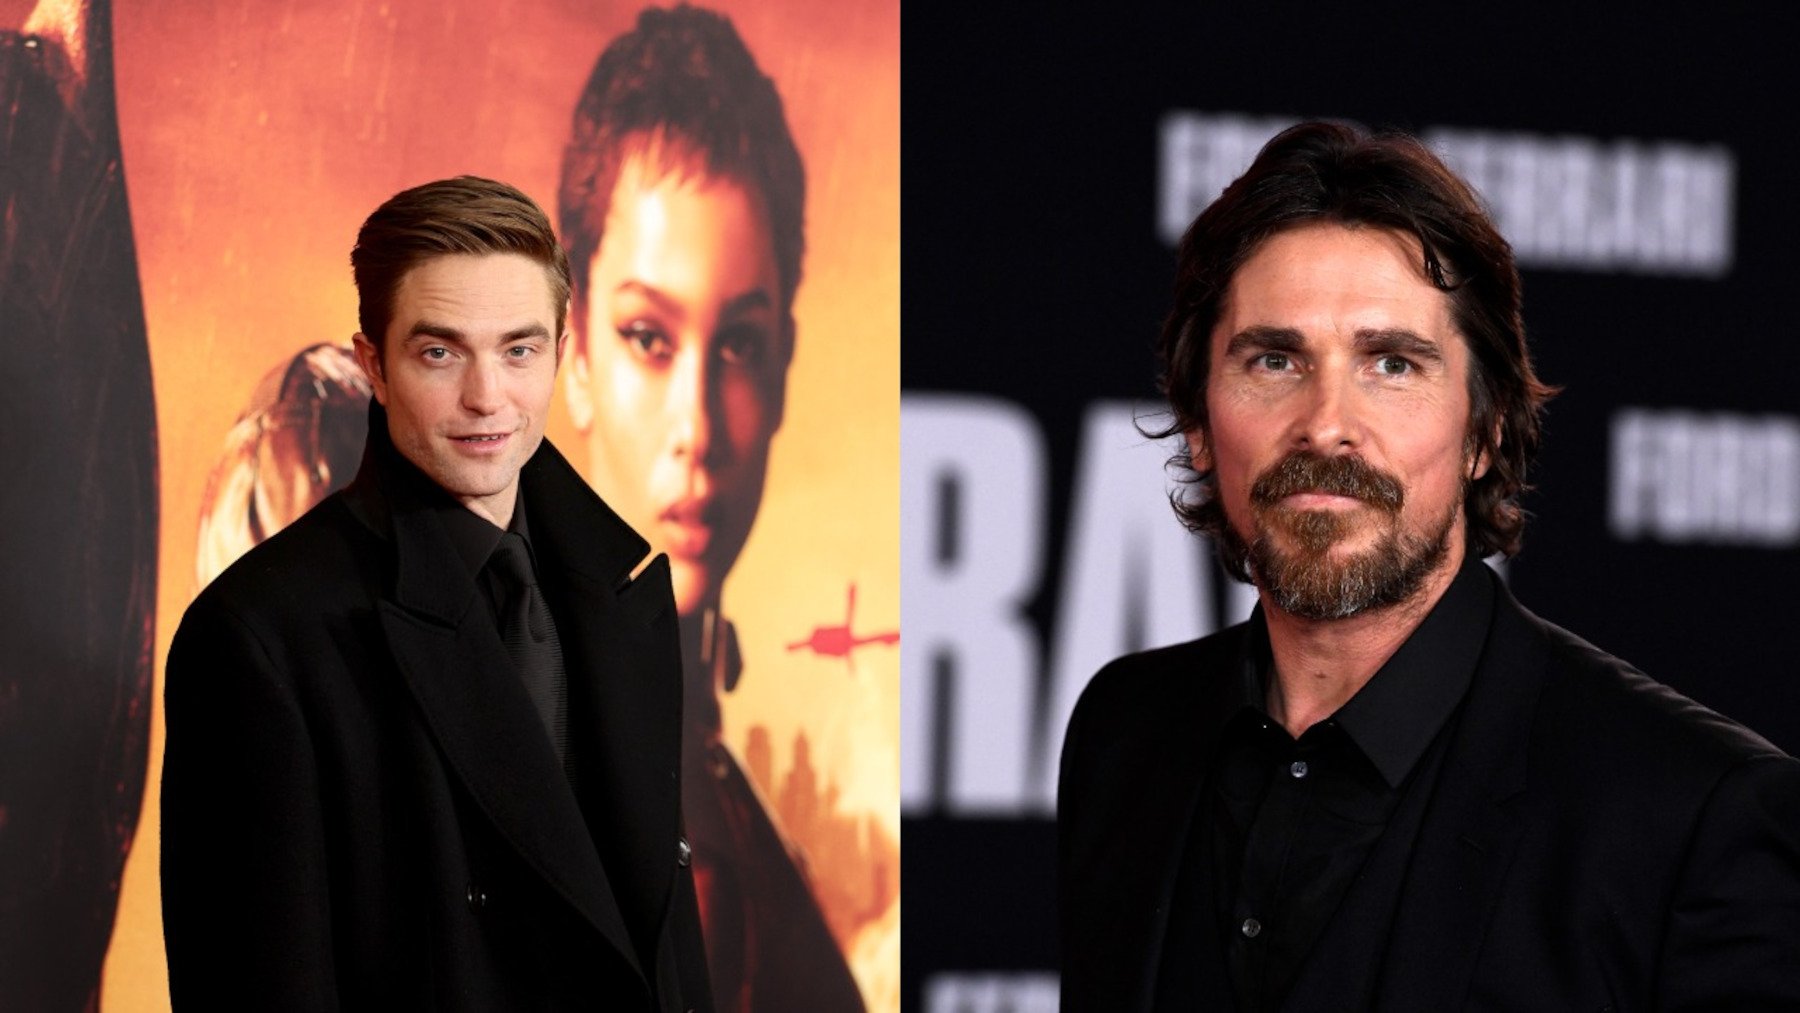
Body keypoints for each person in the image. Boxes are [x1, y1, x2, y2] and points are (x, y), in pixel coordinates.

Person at [1057, 122, 1800, 1011]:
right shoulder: (1125, 732)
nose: (1326, 422)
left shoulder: (1690, 817)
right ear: (1198, 423)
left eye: (1392, 363)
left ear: (1485, 430)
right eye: (1274, 359)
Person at [162, 176, 711, 1010]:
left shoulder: (624, 595)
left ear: (562, 351)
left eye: (519, 349)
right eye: (440, 352)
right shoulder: (258, 638)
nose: (488, 397)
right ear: (373, 365)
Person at [558, 6, 865, 1010]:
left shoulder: (709, 784)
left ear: (780, 372)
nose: (697, 425)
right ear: (572, 353)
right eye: (648, 335)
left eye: (736, 343)